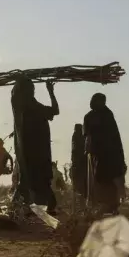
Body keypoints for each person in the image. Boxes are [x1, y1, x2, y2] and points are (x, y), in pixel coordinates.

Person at [10, 78, 59, 215]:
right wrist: (51, 92)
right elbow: (55, 110)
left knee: (32, 179)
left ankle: (27, 205)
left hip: (36, 152)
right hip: (33, 152)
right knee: (32, 179)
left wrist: (50, 91)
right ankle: (28, 205)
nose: (32, 91)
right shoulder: (24, 105)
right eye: (31, 88)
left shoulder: (28, 105)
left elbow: (55, 111)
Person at [83, 93, 126, 215]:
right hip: (99, 154)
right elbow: (88, 137)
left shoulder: (106, 115)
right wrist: (88, 151)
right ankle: (106, 205)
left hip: (109, 153)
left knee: (108, 178)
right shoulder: (91, 116)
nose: (91, 102)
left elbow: (112, 136)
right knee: (101, 178)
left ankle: (110, 206)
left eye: (95, 100)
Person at [71, 123, 87, 200]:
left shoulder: (75, 136)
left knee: (77, 187)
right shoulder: (83, 137)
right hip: (82, 164)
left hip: (77, 164)